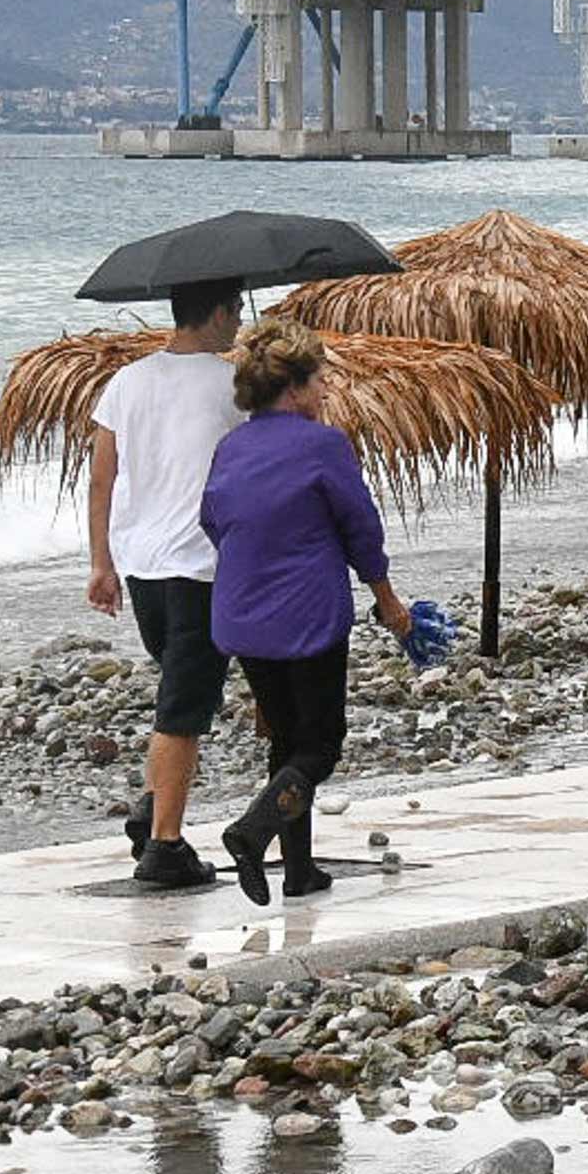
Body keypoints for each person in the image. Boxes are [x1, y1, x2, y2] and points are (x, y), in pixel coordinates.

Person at [199, 319, 407, 905]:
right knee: (320, 745)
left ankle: (299, 871)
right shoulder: (323, 445)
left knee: (286, 739)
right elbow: (360, 527)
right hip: (306, 613)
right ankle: (252, 831)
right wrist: (386, 598)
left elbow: (212, 520)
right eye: (318, 381)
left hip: (241, 612)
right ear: (293, 388)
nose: (324, 390)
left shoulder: (230, 448)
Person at [85, 279, 245, 889]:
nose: (240, 322)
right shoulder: (233, 386)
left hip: (141, 563)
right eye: (237, 310)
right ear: (219, 312)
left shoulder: (126, 382)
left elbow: (101, 479)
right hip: (199, 565)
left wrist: (100, 563)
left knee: (180, 691)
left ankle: (152, 808)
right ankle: (166, 846)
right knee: (183, 711)